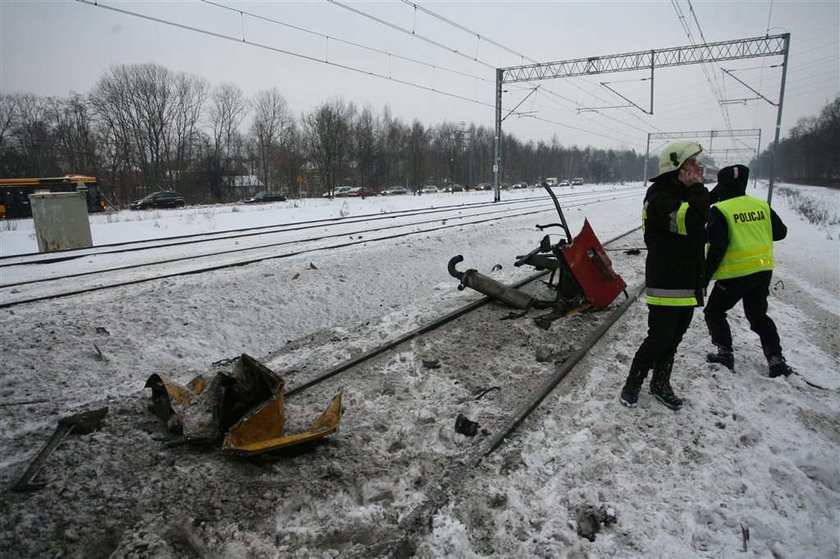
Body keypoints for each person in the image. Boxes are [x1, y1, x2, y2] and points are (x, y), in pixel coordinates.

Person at [619, 141, 710, 410]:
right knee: (658, 338)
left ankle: (661, 384)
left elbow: (699, 218)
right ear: (678, 167)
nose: (697, 168)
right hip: (667, 282)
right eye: (692, 163)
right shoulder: (660, 197)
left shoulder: (681, 195)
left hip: (687, 282)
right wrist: (696, 189)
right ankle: (632, 384)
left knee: (674, 339)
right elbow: (692, 220)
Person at [703, 164, 793, 377]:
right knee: (758, 315)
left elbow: (717, 247)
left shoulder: (721, 210)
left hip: (735, 275)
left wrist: (704, 277)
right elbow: (780, 232)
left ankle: (725, 353)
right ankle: (776, 360)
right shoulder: (761, 206)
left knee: (714, 312)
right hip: (761, 272)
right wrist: (754, 233)